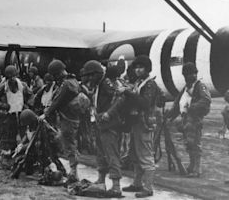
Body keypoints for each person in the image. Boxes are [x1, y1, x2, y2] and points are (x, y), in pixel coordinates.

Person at [120, 55, 161, 198]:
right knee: (135, 154)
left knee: (145, 155)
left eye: (141, 67)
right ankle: (137, 183)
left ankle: (148, 188)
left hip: (144, 123)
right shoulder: (139, 82)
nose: (138, 70)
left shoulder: (150, 84)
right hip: (136, 122)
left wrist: (128, 93)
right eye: (136, 67)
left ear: (147, 69)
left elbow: (145, 103)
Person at [166, 62, 211, 178]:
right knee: (189, 144)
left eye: (192, 73)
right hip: (186, 119)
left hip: (194, 119)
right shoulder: (186, 88)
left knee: (195, 144)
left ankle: (197, 169)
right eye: (187, 74)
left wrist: (191, 108)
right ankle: (192, 166)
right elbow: (178, 104)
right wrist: (170, 115)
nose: (190, 76)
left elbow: (206, 100)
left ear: (196, 74)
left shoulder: (200, 86)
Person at [43, 59, 81, 184]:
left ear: (58, 73)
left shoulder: (66, 84)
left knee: (69, 146)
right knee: (69, 145)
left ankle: (73, 173)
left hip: (67, 119)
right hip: (72, 118)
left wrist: (46, 113)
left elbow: (58, 101)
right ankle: (73, 171)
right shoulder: (73, 81)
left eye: (55, 75)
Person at [89, 63, 124, 197]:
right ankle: (101, 179)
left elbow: (119, 98)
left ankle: (116, 186)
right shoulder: (99, 85)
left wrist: (109, 113)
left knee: (111, 154)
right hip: (100, 123)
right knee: (100, 153)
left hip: (109, 124)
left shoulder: (107, 83)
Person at [0, 65, 33, 169]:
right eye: (9, 77)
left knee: (24, 138)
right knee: (8, 138)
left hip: (21, 116)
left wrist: (27, 105)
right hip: (9, 116)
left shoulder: (22, 86)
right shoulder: (4, 87)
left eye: (13, 76)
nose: (11, 79)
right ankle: (6, 159)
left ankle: (24, 160)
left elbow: (31, 96)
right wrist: (2, 105)